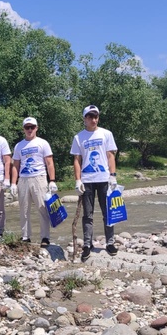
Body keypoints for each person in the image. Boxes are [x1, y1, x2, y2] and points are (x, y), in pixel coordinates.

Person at [71, 105, 118, 261]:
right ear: (84, 118)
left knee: (108, 213)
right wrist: (78, 180)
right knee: (88, 215)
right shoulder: (79, 137)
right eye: (90, 116)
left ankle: (110, 242)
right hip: (87, 180)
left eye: (95, 116)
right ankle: (87, 244)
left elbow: (110, 155)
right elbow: (77, 160)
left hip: (104, 179)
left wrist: (113, 175)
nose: (93, 119)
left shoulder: (106, 134)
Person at [11, 116, 56, 246]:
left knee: (42, 208)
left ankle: (45, 237)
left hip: (39, 178)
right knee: (24, 209)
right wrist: (14, 183)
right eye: (27, 127)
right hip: (23, 179)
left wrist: (52, 180)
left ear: (36, 128)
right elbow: (16, 165)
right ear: (23, 129)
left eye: (32, 127)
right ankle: (25, 236)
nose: (29, 129)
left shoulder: (43, 143)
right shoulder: (19, 146)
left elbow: (49, 163)